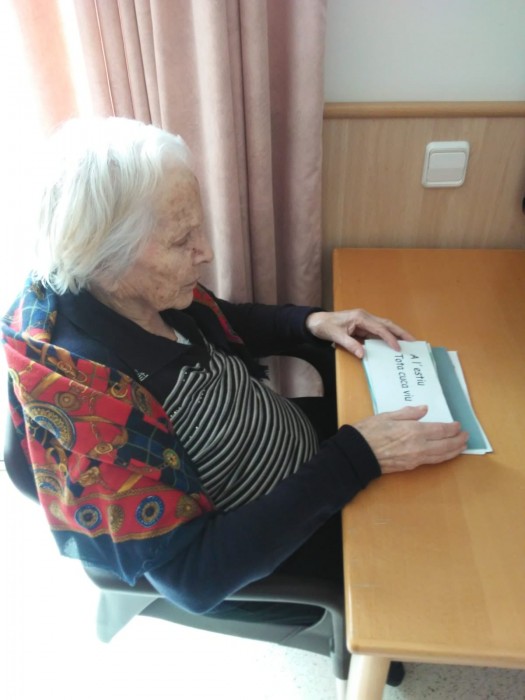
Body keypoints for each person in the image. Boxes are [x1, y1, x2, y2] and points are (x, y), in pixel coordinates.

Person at [1, 117, 468, 618]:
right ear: (105, 260)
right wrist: (356, 458)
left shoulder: (133, 292)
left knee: (458, 474)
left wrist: (309, 322)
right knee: (454, 569)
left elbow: (220, 319)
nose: (205, 251)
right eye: (182, 240)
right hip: (279, 538)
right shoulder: (93, 402)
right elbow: (194, 578)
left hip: (312, 462)